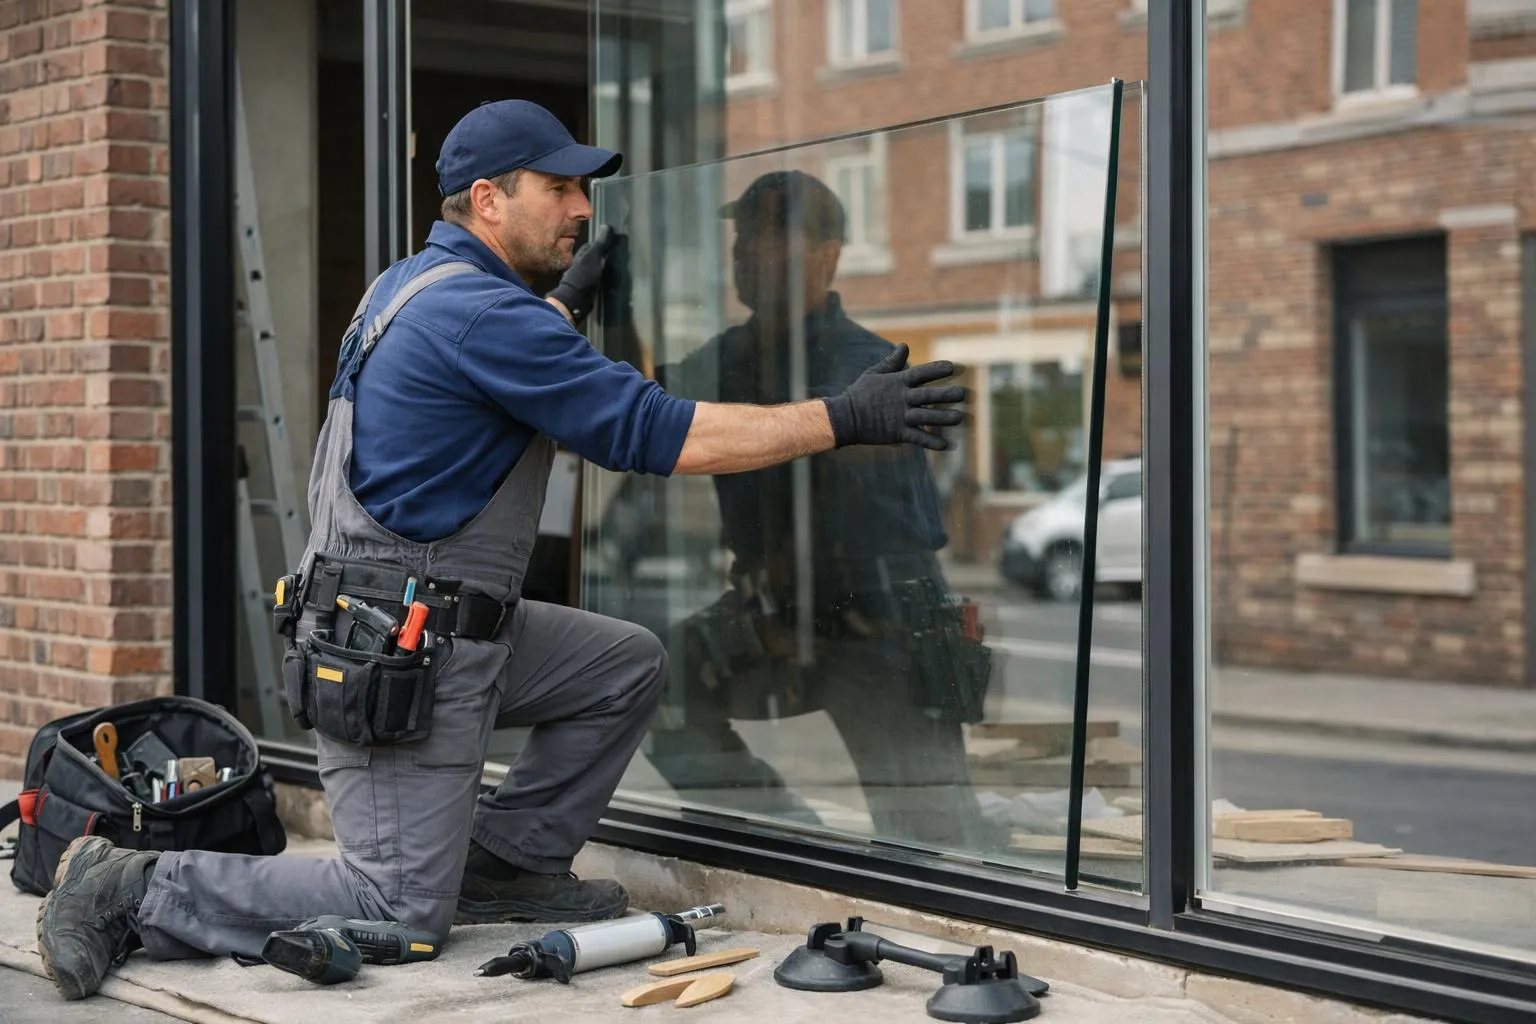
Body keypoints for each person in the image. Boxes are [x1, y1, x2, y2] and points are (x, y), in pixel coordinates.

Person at [35, 100, 966, 1001]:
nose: (581, 207)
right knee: (393, 909)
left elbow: (494, 368)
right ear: (489, 199)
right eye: (558, 188)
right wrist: (844, 418)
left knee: (624, 665)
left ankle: (507, 864)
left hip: (433, 632)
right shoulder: (483, 317)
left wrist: (562, 303)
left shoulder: (409, 287)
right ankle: (132, 886)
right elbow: (653, 432)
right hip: (397, 663)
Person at [637, 171, 999, 847]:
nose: (744, 250)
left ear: (826, 255)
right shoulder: (731, 357)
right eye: (742, 235)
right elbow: (639, 409)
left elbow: (862, 508)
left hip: (880, 631)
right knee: (655, 684)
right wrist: (606, 305)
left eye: (768, 234)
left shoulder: (867, 367)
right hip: (775, 615)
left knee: (933, 839)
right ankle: (782, 842)